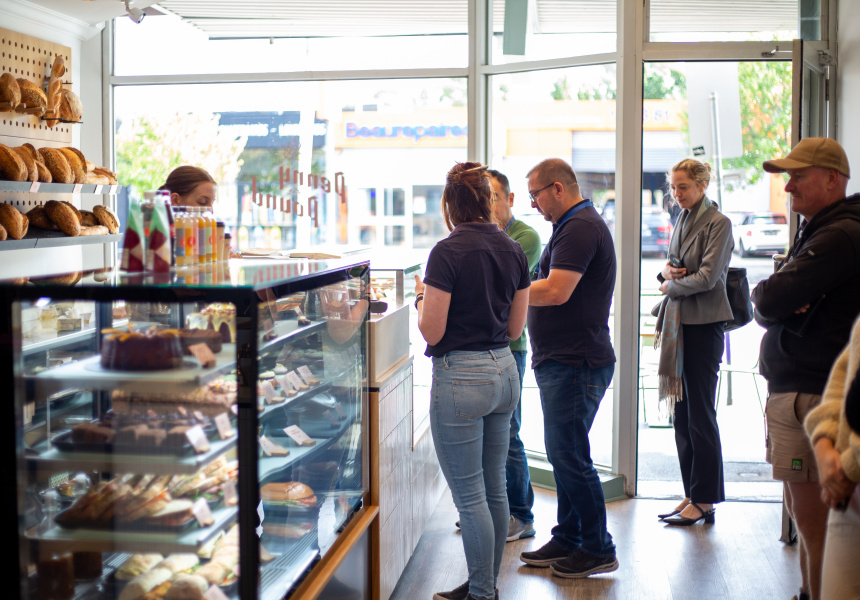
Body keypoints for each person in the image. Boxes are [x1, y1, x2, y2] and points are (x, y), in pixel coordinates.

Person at [415, 162, 530, 600]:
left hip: (461, 377)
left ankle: (483, 593)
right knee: (494, 488)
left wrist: (424, 297)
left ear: (450, 205)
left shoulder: (447, 252)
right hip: (504, 370)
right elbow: (516, 328)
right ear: (487, 200)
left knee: (469, 497)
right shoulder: (513, 248)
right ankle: (486, 585)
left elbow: (432, 331)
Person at [752, 137, 860, 600]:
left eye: (798, 176)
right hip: (800, 391)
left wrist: (773, 294)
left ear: (832, 179)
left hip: (815, 396)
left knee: (818, 529)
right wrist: (774, 294)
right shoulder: (820, 228)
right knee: (807, 521)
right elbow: (772, 299)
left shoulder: (839, 234)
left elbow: (770, 298)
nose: (788, 185)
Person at [517, 158, 618, 579]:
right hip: (567, 359)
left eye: (535, 196)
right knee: (567, 454)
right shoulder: (572, 225)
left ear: (557, 188)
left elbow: (557, 291)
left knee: (568, 454)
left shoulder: (579, 228)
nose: (534, 205)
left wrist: (508, 290)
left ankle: (598, 547)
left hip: (576, 361)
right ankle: (570, 536)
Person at [653, 159, 733, 526]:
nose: (676, 193)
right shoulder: (683, 218)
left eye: (682, 187)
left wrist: (670, 285)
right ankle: (692, 493)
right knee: (682, 416)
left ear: (701, 185)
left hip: (704, 325)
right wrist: (666, 272)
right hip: (682, 323)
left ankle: (706, 499)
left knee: (701, 414)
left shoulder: (719, 224)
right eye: (673, 187)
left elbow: (707, 277)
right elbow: (673, 263)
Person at [488, 168, 541, 541]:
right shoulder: (481, 236)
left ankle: (521, 516)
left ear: (509, 199)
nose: (487, 203)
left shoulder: (526, 236)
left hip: (512, 347)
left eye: (493, 195)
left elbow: (496, 282)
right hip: (481, 348)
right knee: (487, 435)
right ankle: (492, 512)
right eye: (481, 196)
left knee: (508, 434)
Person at [805, 314, 860, 600]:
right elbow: (845, 374)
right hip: (848, 496)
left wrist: (845, 471)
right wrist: (824, 442)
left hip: (848, 478)